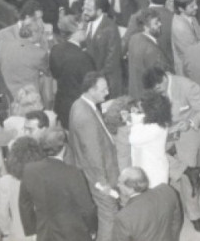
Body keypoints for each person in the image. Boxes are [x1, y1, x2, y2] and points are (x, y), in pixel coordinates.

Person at [143, 67, 200, 231]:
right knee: (154, 159)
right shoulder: (154, 87)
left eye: (158, 88)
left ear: (164, 79)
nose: (157, 92)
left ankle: (194, 214)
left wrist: (190, 123)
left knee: (188, 170)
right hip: (164, 131)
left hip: (186, 131)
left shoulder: (187, 86)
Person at [65, 72, 119, 241]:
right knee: (109, 215)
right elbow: (93, 153)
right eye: (103, 89)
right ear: (90, 90)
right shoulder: (85, 116)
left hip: (89, 171)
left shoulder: (79, 104)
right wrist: (104, 184)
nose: (107, 92)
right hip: (99, 177)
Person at [18, 129, 97, 241]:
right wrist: (92, 229)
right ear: (64, 148)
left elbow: (24, 205)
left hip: (44, 233)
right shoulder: (73, 173)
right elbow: (87, 209)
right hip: (74, 234)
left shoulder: (29, 170)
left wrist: (32, 231)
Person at [112, 167, 183, 241]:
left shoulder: (123, 217)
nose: (118, 185)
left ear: (130, 188)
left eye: (120, 182)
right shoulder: (167, 190)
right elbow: (177, 223)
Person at [49, 16, 94, 128]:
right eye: (82, 29)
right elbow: (90, 84)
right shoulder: (83, 57)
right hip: (78, 107)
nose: (85, 31)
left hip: (61, 104)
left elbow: (55, 74)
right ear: (73, 32)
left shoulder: (55, 49)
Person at [126, 9, 169, 99]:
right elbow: (158, 80)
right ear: (146, 27)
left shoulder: (134, 39)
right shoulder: (151, 50)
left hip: (135, 93)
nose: (160, 24)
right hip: (150, 97)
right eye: (156, 23)